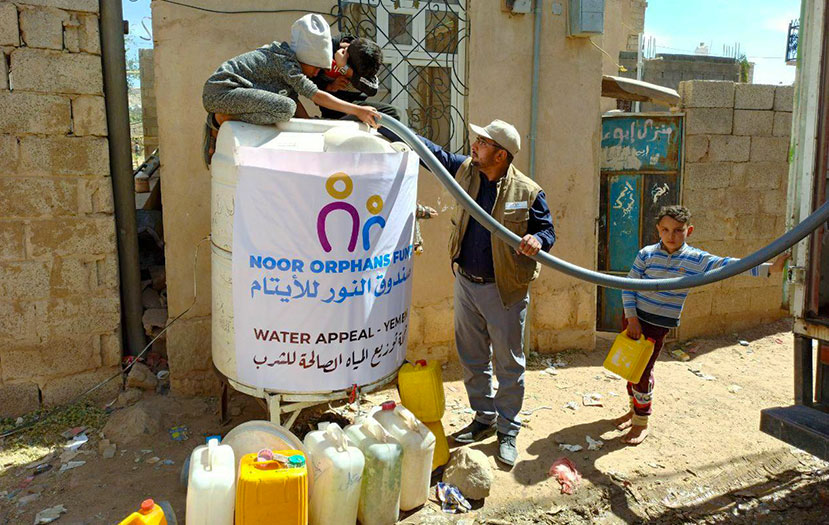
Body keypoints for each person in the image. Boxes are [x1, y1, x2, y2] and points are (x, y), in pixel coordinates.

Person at [407, 120, 556, 466]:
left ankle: (508, 428)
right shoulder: (466, 171)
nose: (474, 145)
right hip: (466, 282)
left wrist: (538, 239)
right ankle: (483, 418)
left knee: (508, 362)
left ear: (501, 154)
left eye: (482, 142)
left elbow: (546, 228)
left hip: (504, 289)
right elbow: (432, 153)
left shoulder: (528, 192)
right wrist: (388, 126)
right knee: (472, 357)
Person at [616, 205, 788, 445]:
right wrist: (632, 319)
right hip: (633, 319)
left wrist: (771, 269)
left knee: (643, 372)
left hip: (656, 326)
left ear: (689, 231)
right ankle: (633, 410)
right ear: (658, 229)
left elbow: (728, 265)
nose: (671, 236)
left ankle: (641, 422)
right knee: (630, 369)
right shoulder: (646, 254)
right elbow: (629, 285)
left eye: (678, 230)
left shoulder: (695, 259)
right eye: (665, 229)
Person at [201, 14, 381, 166]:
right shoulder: (286, 63)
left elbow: (295, 100)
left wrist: (309, 125)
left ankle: (221, 124)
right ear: (307, 59)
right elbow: (317, 96)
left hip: (226, 94)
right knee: (285, 109)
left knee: (288, 106)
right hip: (221, 92)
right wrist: (358, 110)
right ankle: (220, 119)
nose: (317, 74)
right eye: (317, 68)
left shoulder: (289, 64)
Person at [311, 34, 400, 121]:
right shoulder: (326, 51)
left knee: (393, 113)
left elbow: (372, 89)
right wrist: (330, 86)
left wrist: (345, 69)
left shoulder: (364, 55)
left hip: (355, 105)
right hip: (334, 106)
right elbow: (308, 86)